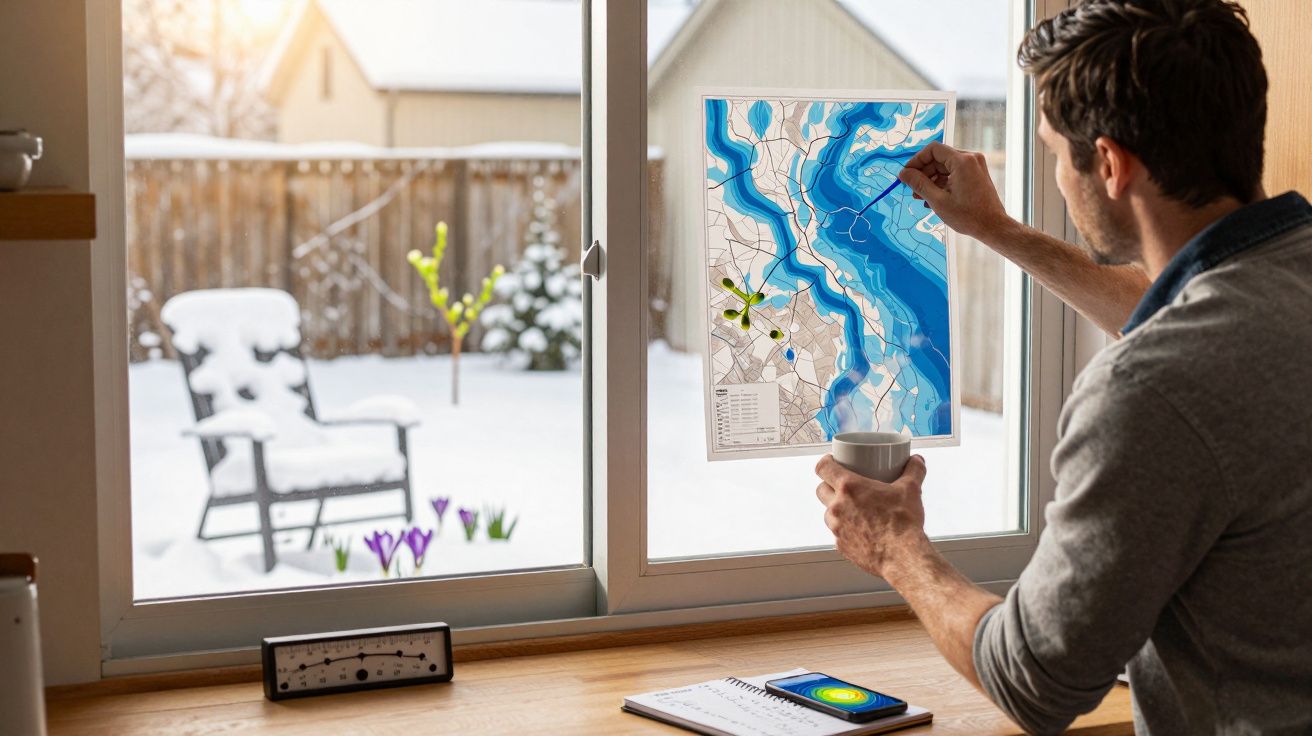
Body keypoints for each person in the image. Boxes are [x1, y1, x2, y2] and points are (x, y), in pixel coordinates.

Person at [812, 0, 1312, 733]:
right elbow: (1192, 322)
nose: (1054, 173)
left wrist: (893, 546)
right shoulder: (1275, 290)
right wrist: (995, 229)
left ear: (1109, 164)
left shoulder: (1151, 387)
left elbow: (1035, 680)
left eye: (1051, 151)